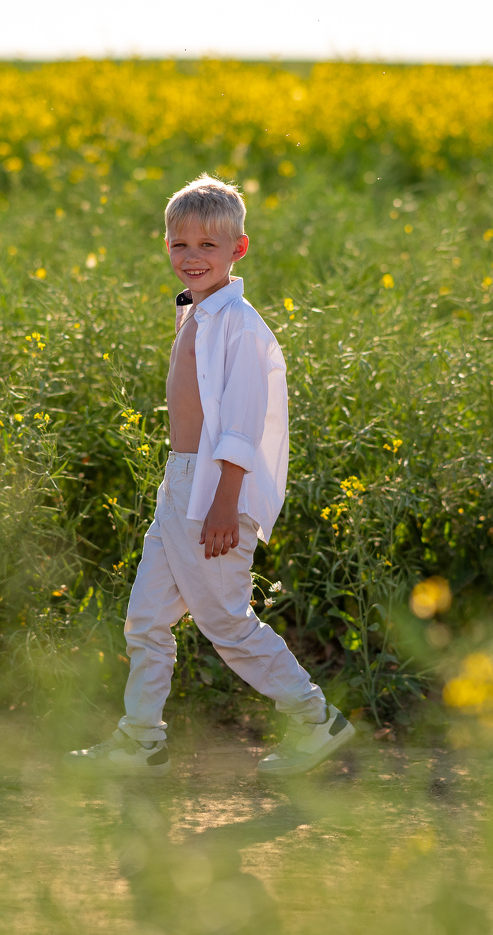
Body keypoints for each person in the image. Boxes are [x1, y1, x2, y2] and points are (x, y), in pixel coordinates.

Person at [65, 175, 354, 778]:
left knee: (225, 620)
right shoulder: (196, 314)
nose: (192, 257)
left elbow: (240, 428)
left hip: (217, 488)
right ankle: (140, 739)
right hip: (182, 483)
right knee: (146, 617)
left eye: (207, 246)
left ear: (237, 250)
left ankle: (315, 719)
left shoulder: (241, 327)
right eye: (180, 245)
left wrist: (225, 504)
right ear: (166, 245)